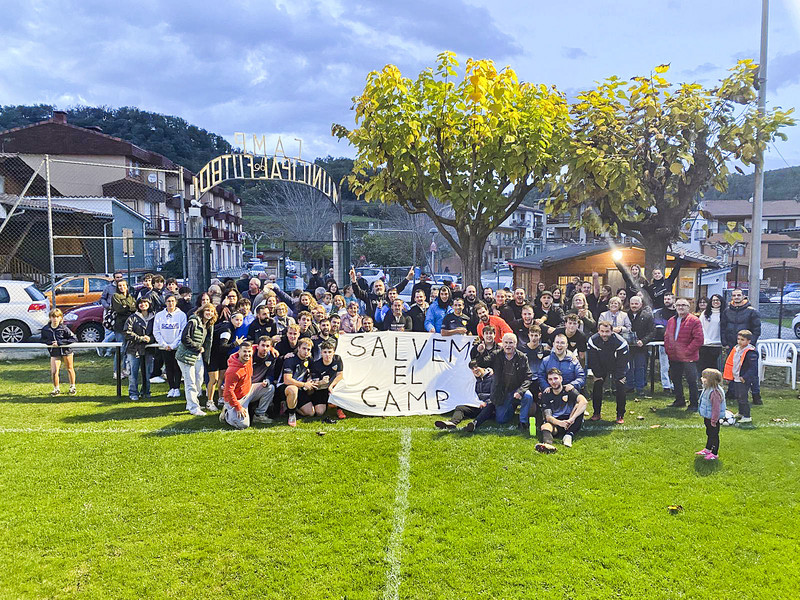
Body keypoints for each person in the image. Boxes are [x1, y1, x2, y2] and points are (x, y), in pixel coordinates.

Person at [465, 333, 533, 432]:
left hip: (517, 389)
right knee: (501, 420)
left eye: (511, 343)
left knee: (528, 396)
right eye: (506, 343)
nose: (508, 345)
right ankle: (512, 406)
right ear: (502, 343)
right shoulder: (496, 354)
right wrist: (481, 352)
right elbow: (483, 363)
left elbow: (528, 376)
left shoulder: (522, 357)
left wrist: (521, 391)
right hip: (501, 392)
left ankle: (523, 422)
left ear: (516, 344)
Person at [219, 341, 275, 429]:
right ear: (239, 352)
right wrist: (238, 407)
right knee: (243, 425)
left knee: (270, 388)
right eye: (244, 351)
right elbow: (228, 392)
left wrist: (271, 348)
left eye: (249, 352)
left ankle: (259, 415)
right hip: (236, 399)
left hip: (248, 391)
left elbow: (258, 346)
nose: (247, 354)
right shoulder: (233, 371)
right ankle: (227, 414)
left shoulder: (249, 357)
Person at [720, 288, 762, 405]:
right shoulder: (727, 311)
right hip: (732, 346)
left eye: (739, 295)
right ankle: (732, 392)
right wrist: (725, 342)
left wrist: (750, 345)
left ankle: (756, 395)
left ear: (743, 296)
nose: (736, 297)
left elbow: (756, 330)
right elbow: (723, 327)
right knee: (734, 369)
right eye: (734, 295)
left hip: (747, 348)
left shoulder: (752, 311)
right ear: (731, 297)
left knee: (751, 372)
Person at [535, 368, 589, 453]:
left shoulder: (569, 390)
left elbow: (584, 402)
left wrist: (571, 419)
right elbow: (548, 417)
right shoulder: (546, 394)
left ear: (561, 379)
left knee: (579, 405)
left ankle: (569, 435)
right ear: (548, 381)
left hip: (571, 421)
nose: (553, 381)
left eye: (556, 378)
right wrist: (560, 423)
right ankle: (547, 445)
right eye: (550, 379)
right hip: (557, 423)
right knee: (544, 426)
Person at [664, 297, 704, 410]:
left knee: (692, 381)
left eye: (683, 305)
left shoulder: (694, 320)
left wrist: (686, 352)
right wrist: (668, 349)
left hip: (689, 357)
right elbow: (667, 337)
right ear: (675, 307)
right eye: (678, 305)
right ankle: (679, 400)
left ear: (688, 307)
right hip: (674, 356)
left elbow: (698, 339)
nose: (680, 307)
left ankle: (694, 404)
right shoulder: (671, 320)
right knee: (675, 378)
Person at [176, 303, 216, 416]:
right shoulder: (193, 322)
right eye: (207, 310)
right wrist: (197, 347)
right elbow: (185, 338)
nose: (209, 313)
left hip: (197, 355)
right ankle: (194, 408)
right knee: (190, 383)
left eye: (212, 311)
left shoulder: (207, 325)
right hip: (186, 356)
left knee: (199, 380)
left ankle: (192, 403)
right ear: (202, 311)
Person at [587, 321, 629, 423]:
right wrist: (597, 374)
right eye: (602, 331)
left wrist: (620, 376)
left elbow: (622, 361)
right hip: (601, 365)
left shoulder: (621, 342)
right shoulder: (593, 340)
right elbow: (593, 359)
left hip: (617, 365)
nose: (604, 334)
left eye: (607, 331)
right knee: (597, 384)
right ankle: (596, 413)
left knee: (620, 385)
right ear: (598, 331)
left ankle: (620, 415)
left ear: (612, 331)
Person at [435, 360, 492, 430]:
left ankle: (474, 424)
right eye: (472, 369)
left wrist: (486, 402)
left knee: (490, 405)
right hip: (479, 406)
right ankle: (452, 423)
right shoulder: (474, 380)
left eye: (476, 367)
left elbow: (496, 394)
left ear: (483, 367)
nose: (475, 370)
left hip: (491, 407)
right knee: (460, 408)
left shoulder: (492, 377)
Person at [153, 293, 187, 398]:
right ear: (165, 302)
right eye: (168, 301)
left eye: (172, 301)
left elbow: (182, 331)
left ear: (176, 302)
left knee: (176, 367)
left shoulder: (181, 315)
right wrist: (164, 344)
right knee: (168, 367)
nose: (170, 303)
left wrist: (173, 345)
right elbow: (156, 331)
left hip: (176, 346)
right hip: (164, 346)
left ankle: (177, 388)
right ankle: (171, 388)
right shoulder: (159, 315)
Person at [722, 329, 758, 425]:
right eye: (738, 339)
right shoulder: (737, 348)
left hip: (743, 378)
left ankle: (747, 416)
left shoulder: (751, 352)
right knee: (738, 395)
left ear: (748, 341)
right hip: (736, 377)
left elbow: (753, 368)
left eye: (743, 339)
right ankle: (741, 412)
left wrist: (745, 377)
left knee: (743, 397)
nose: (740, 341)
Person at [41, 308, 78, 396]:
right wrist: (50, 343)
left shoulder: (64, 328)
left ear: (61, 318)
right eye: (53, 317)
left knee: (69, 369)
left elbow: (74, 339)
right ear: (50, 318)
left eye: (57, 317)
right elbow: (42, 339)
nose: (55, 319)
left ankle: (72, 387)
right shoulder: (46, 329)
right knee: (54, 371)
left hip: (66, 351)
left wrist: (60, 343)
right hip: (54, 353)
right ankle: (56, 389)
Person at [124, 296, 155, 402]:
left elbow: (157, 332)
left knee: (147, 372)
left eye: (145, 302)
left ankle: (146, 392)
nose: (143, 304)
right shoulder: (132, 317)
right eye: (141, 303)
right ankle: (133, 393)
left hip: (148, 349)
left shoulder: (154, 318)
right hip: (133, 349)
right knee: (133, 372)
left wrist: (150, 339)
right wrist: (141, 338)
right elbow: (127, 332)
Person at [281, 337, 316, 426]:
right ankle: (291, 414)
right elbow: (287, 380)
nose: (306, 351)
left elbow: (312, 372)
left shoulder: (309, 359)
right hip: (285, 387)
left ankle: (289, 405)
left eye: (308, 349)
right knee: (293, 389)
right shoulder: (291, 358)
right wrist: (304, 384)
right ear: (298, 348)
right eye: (304, 348)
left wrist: (310, 379)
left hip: (300, 388)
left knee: (310, 413)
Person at [626, 295, 656, 396]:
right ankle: (629, 386)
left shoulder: (647, 315)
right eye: (632, 304)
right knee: (628, 366)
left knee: (640, 367)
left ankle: (640, 388)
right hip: (628, 346)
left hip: (641, 346)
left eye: (636, 304)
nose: (634, 306)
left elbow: (652, 332)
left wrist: (643, 341)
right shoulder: (625, 314)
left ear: (641, 304)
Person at [309, 340, 346, 419]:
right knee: (319, 412)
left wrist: (331, 385)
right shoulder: (316, 365)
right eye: (325, 352)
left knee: (342, 383)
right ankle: (329, 403)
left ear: (333, 352)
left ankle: (339, 408)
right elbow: (314, 384)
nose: (327, 355)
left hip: (332, 387)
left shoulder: (337, 359)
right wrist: (321, 382)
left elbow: (340, 375)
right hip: (321, 388)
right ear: (321, 353)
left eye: (329, 352)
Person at [696, 368, 726, 461]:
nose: (702, 379)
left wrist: (714, 420)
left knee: (714, 435)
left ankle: (714, 453)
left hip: (713, 419)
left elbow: (716, 409)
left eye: (705, 377)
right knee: (709, 433)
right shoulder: (707, 388)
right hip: (708, 417)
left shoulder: (714, 392)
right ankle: (708, 449)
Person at [111, 279, 136, 377]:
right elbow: (119, 309)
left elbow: (135, 307)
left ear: (127, 286)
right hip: (120, 326)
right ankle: (116, 371)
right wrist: (130, 307)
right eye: (120, 286)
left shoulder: (130, 296)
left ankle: (125, 370)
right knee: (120, 350)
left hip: (130, 326)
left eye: (123, 285)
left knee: (127, 350)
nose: (122, 287)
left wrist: (127, 306)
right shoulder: (115, 296)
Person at [653, 293, 677, 393]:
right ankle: (666, 386)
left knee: (675, 366)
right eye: (665, 299)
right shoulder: (659, 312)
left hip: (677, 343)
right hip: (663, 342)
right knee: (664, 365)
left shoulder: (678, 312)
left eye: (669, 299)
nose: (666, 300)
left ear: (673, 300)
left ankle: (675, 385)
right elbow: (659, 327)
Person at [699, 294, 724, 374]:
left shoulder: (725, 313)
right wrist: (706, 339)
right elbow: (700, 326)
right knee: (704, 366)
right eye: (713, 300)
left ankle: (715, 385)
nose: (715, 302)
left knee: (715, 368)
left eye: (717, 300)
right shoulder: (705, 313)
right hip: (705, 344)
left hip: (718, 345)